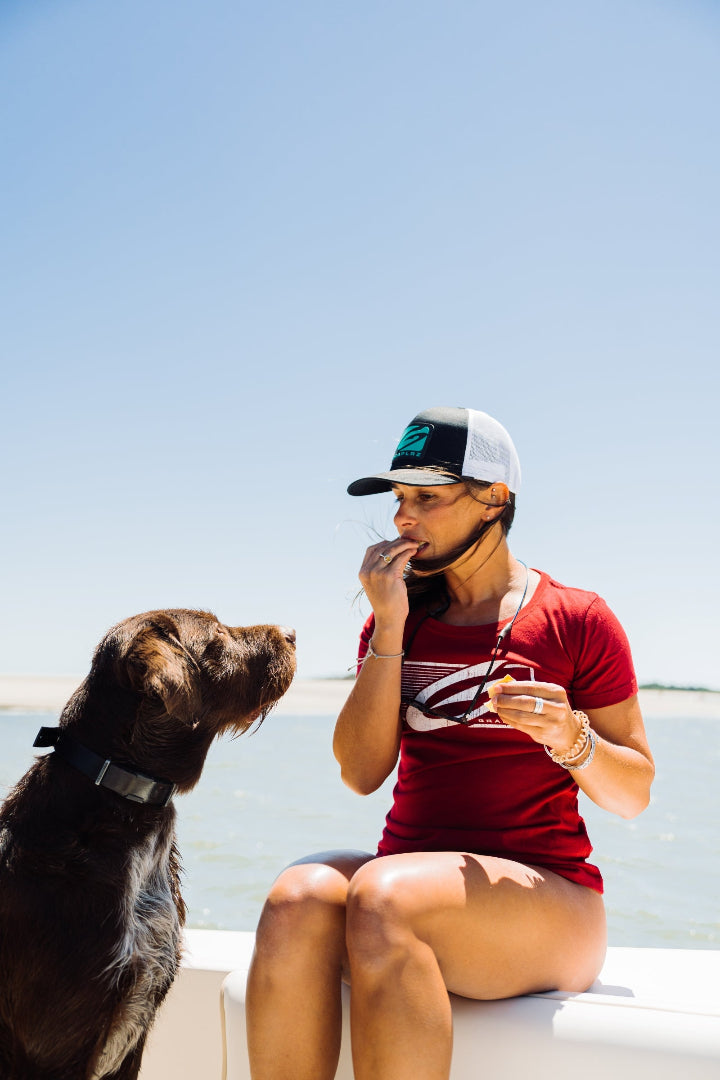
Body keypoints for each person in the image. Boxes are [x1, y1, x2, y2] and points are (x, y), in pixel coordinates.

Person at [246, 406, 654, 1080]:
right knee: (296, 900)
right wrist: (388, 629)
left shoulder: (578, 619)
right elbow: (360, 772)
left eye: (427, 498)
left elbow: (634, 793)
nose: (403, 517)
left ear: (496, 498)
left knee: (384, 897)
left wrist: (569, 736)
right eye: (399, 498)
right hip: (404, 886)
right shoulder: (402, 618)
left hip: (554, 902)